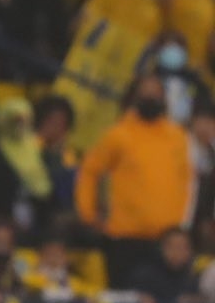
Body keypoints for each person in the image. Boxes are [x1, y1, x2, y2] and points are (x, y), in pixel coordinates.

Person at [76, 71, 194, 286]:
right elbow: (90, 170)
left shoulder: (177, 137)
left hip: (167, 242)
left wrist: (183, 225)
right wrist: (88, 214)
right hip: (126, 238)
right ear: (135, 98)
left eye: (156, 93)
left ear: (163, 98)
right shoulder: (118, 134)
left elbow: (188, 181)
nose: (151, 99)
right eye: (145, 94)